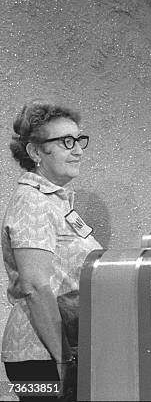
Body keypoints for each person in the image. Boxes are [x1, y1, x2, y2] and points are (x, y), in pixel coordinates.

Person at [2, 102, 102, 401]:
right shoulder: (32, 201)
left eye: (79, 140)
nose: (78, 150)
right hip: (39, 359)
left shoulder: (55, 201)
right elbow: (34, 286)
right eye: (65, 142)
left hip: (58, 351)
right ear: (35, 152)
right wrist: (63, 359)